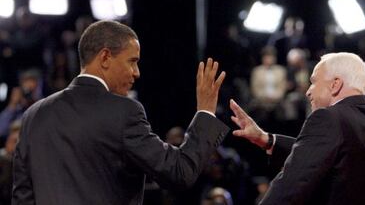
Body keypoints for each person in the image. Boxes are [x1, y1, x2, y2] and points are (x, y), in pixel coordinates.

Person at [12, 20, 229, 205]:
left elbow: (22, 197)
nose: (137, 73)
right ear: (105, 57)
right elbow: (179, 173)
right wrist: (205, 112)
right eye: (132, 61)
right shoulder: (124, 112)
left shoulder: (33, 114)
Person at [229, 52, 365, 204]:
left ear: (335, 84)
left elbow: (290, 185)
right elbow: (331, 158)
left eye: (314, 82)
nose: (308, 91)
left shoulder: (329, 117)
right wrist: (267, 139)